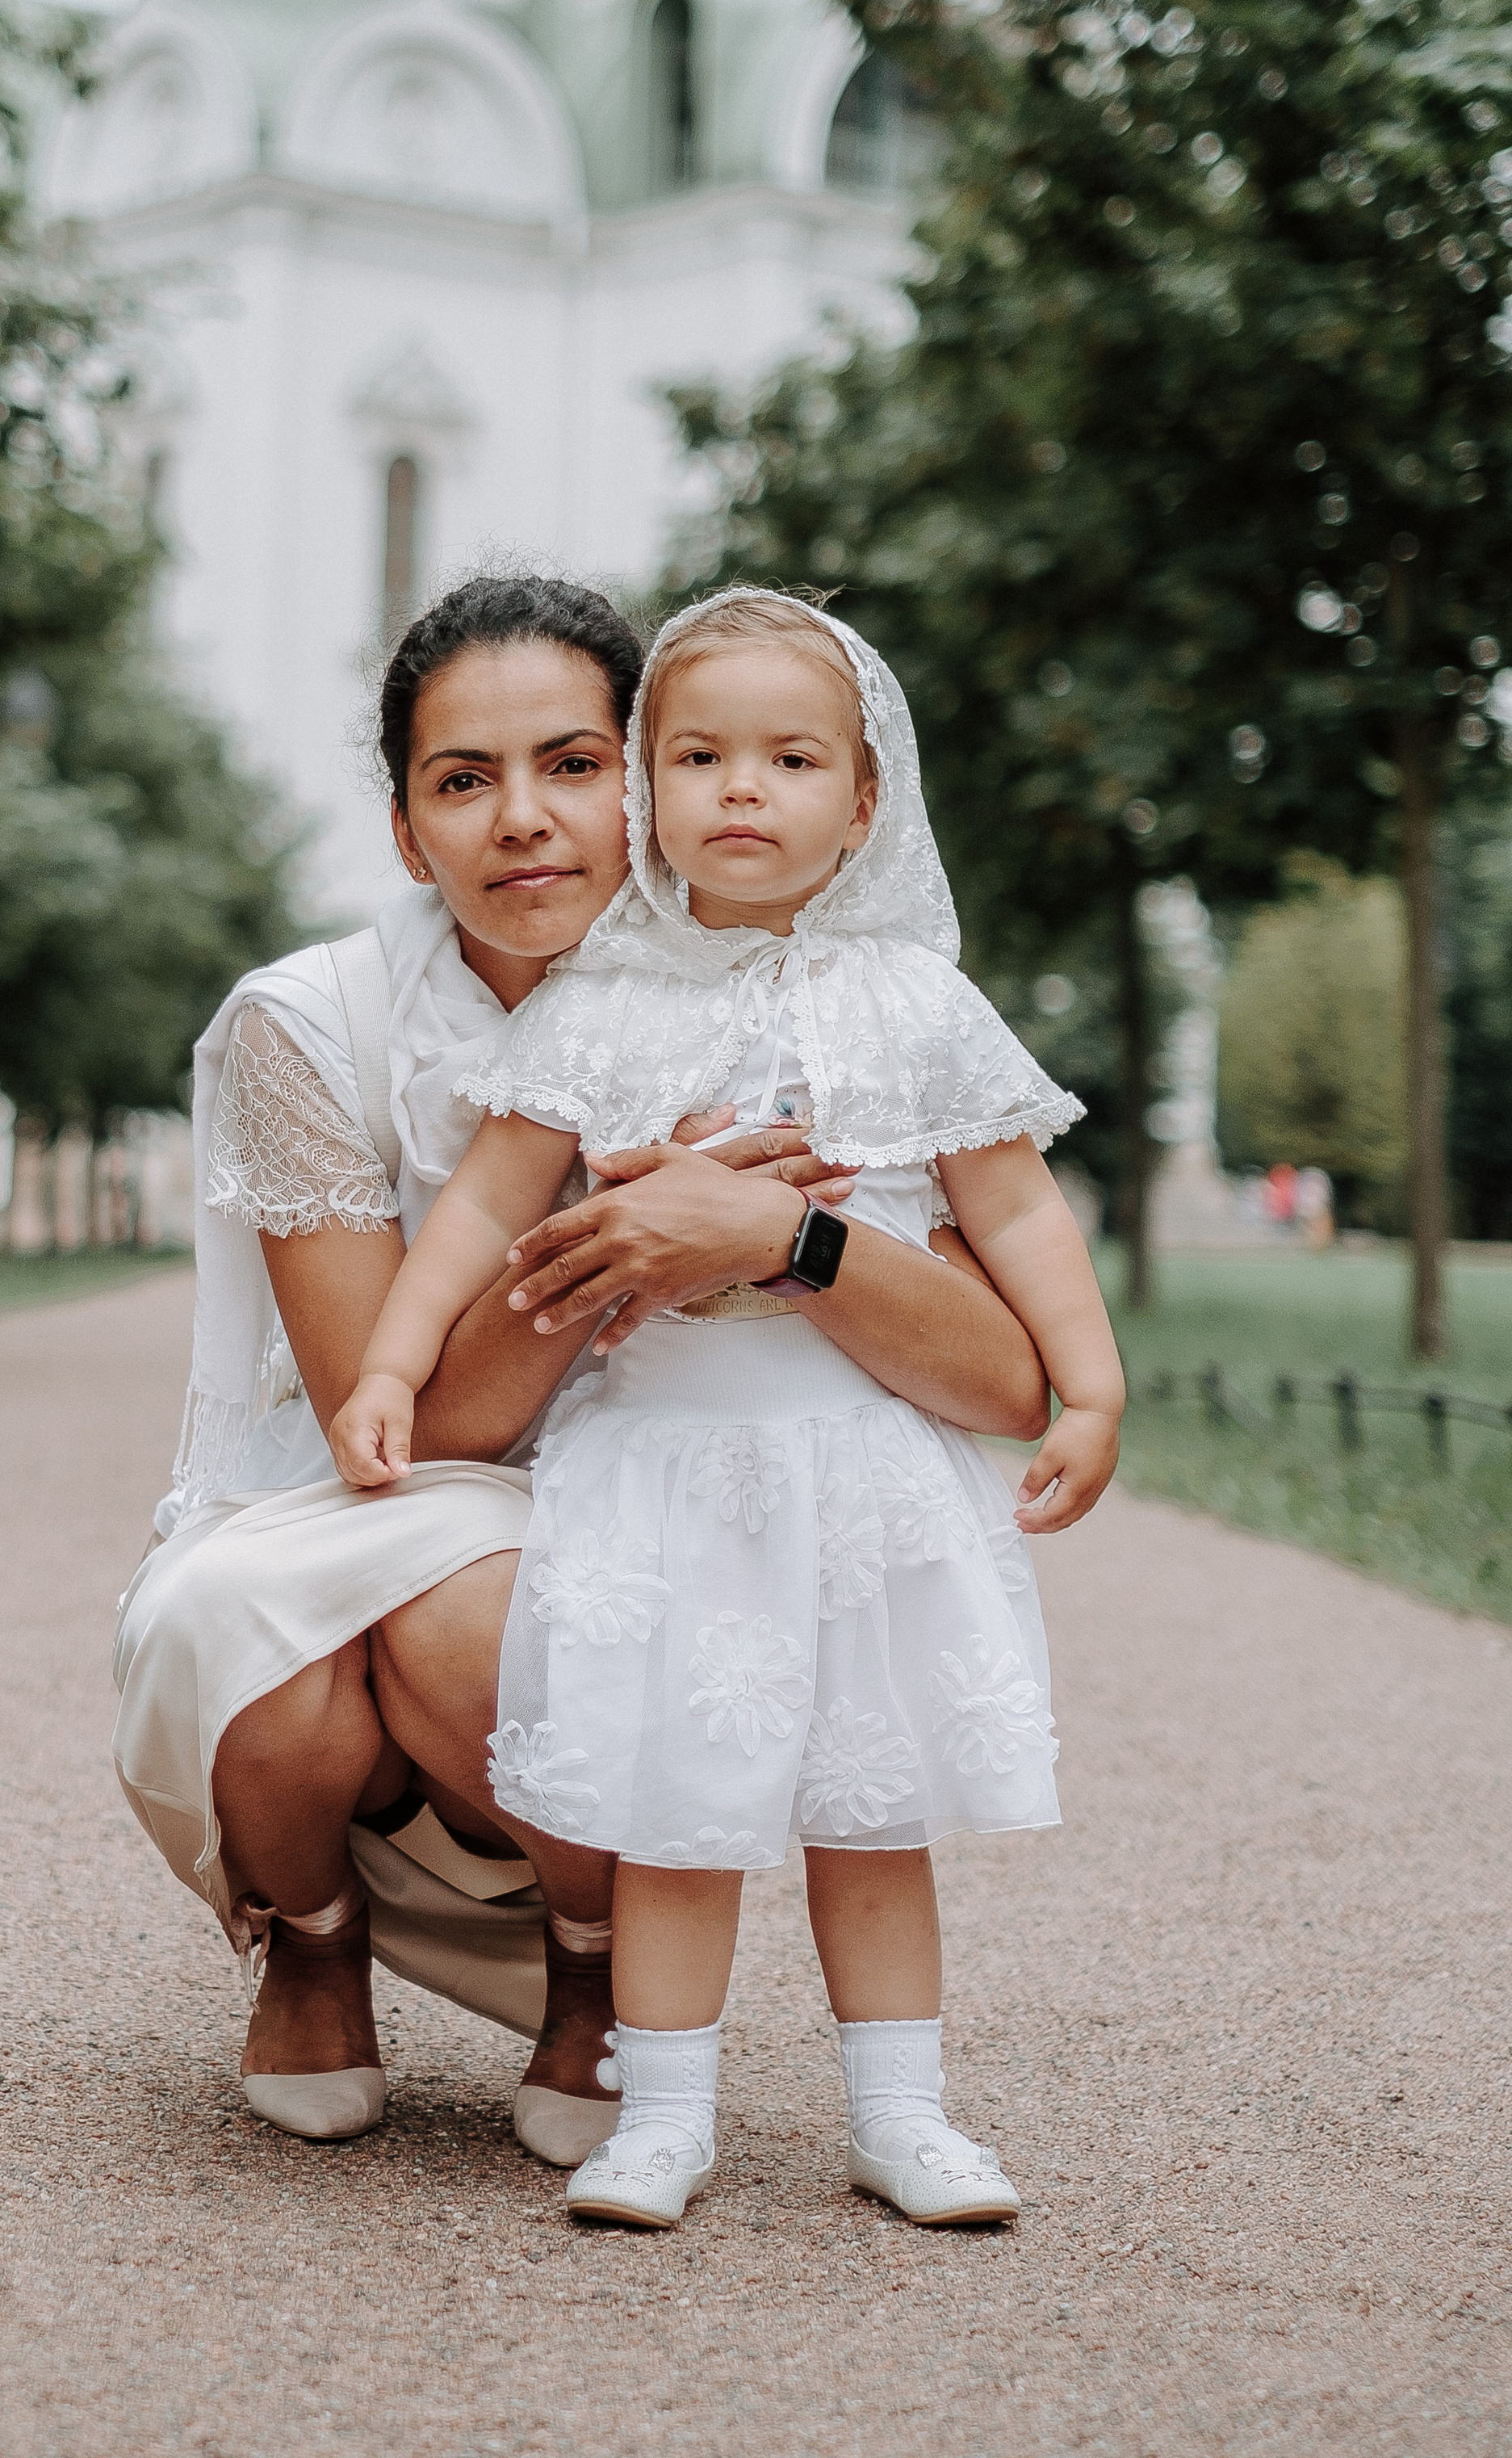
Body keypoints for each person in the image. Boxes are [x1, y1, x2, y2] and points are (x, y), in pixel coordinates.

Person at [112, 577, 1053, 2160]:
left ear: (643, 772)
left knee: (489, 1613)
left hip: (658, 1499)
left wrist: (772, 1234)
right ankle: (314, 1931)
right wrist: (624, 1229)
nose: (522, 821)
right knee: (280, 1642)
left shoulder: (816, 1001)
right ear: (407, 830)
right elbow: (407, 1438)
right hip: (387, 1489)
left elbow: (1008, 1382)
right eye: (460, 782)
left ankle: (591, 1970)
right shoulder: (305, 1025)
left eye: (570, 763)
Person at [329, 589, 1124, 2229]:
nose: (740, 791)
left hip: (858, 1471)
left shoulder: (913, 1005)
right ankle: (659, 2116)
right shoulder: (597, 1006)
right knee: (672, 1818)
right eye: (695, 755)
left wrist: (1091, 1385)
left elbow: (1023, 1212)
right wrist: (394, 1366)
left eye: (788, 758)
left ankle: (900, 2114)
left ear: (861, 802)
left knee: (869, 1809)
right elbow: (477, 1217)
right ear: (645, 785)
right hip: (668, 1468)